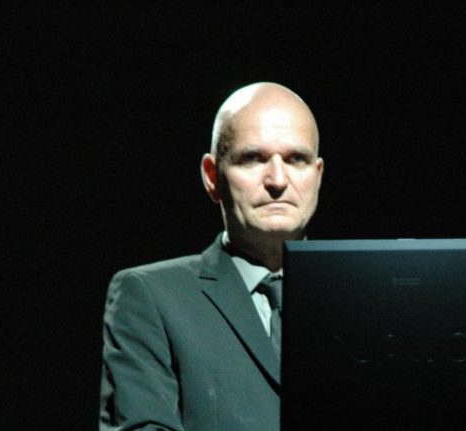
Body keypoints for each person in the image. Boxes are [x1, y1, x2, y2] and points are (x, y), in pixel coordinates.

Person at [99, 82, 324, 431]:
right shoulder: (151, 297)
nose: (278, 180)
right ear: (212, 176)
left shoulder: (366, 298)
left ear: (317, 175)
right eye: (253, 158)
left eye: (297, 159)